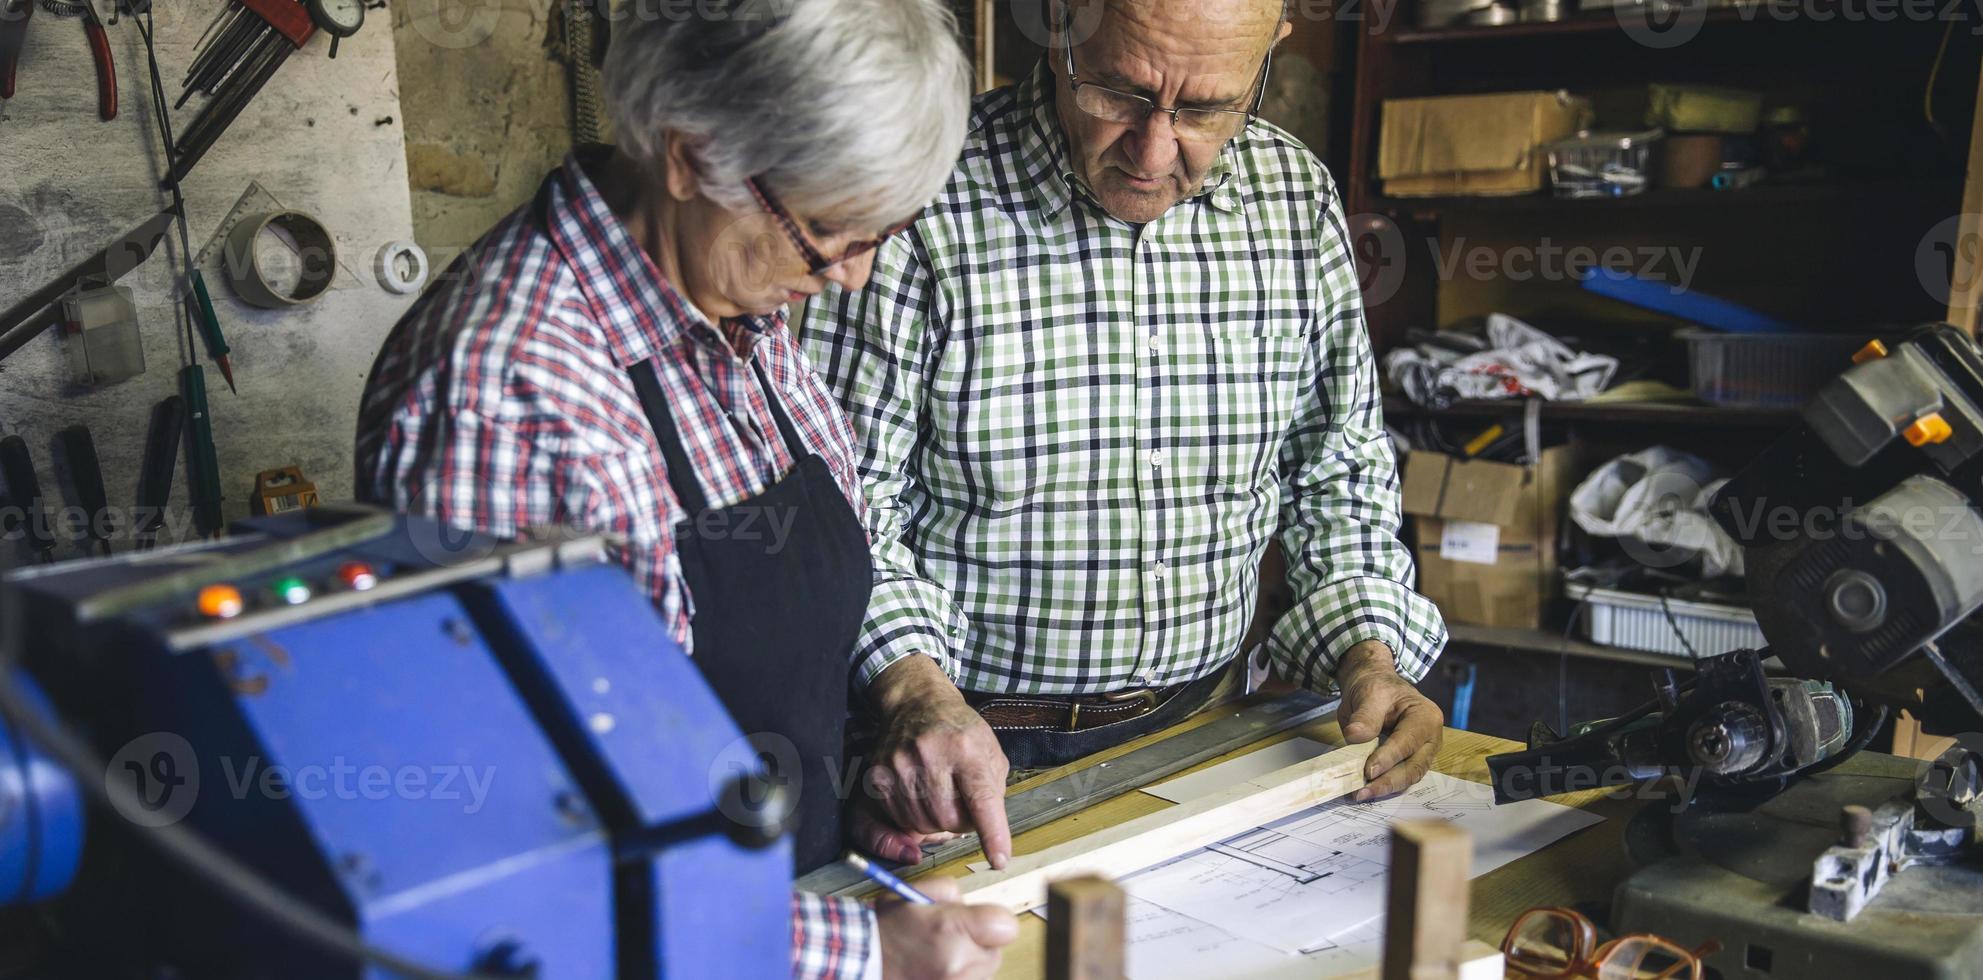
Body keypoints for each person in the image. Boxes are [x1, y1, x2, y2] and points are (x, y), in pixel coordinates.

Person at [354, 2, 1014, 977]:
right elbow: (520, 850)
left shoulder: (733, 292)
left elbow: (741, 664)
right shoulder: (502, 396)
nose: (854, 276)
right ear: (687, 154)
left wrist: (846, 771)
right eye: (829, 230)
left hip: (781, 903)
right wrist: (860, 951)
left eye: (882, 230)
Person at [801, 0, 1450, 870]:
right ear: (1060, 26)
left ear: (1268, 59)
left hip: (1212, 726)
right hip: (963, 752)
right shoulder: (926, 189)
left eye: (1207, 108)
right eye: (1118, 91)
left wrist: (1369, 653)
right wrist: (917, 693)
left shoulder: (1292, 199)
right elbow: (841, 507)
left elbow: (1335, 470)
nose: (1152, 150)